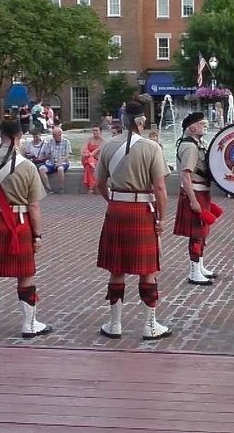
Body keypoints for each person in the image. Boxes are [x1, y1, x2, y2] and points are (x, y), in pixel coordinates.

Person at [0, 120, 53, 338]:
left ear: (1, 135)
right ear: (18, 137)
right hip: (19, 223)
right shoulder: (27, 166)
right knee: (25, 274)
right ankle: (29, 325)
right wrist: (37, 235)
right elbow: (34, 206)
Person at [95, 102, 172, 340]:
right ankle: (150, 327)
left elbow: (99, 184)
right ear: (140, 122)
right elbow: (160, 188)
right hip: (141, 209)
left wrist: (114, 201)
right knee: (147, 269)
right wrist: (161, 218)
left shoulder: (108, 146)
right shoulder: (151, 148)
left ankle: (114, 324)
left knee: (116, 268)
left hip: (117, 209)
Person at [174, 112, 221, 286]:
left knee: (202, 233)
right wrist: (193, 201)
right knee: (196, 234)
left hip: (202, 191)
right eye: (201, 123)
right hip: (195, 192)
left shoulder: (199, 143)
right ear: (191, 127)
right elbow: (185, 175)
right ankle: (194, 272)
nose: (205, 125)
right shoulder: (190, 147)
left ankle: (200, 266)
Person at [37, 126, 71, 194]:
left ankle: (61, 188)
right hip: (51, 162)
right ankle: (48, 188)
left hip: (62, 163)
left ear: (60, 135)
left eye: (55, 135)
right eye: (53, 135)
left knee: (60, 169)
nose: (53, 136)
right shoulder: (50, 142)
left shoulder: (66, 142)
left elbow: (68, 155)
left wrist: (60, 162)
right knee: (41, 169)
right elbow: (47, 155)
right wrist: (47, 154)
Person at [81, 126, 105, 194]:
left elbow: (97, 150)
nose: (95, 132)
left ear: (100, 131)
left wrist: (90, 155)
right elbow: (83, 149)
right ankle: (94, 186)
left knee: (89, 167)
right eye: (93, 130)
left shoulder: (103, 141)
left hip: (97, 160)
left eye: (96, 130)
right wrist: (86, 153)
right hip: (87, 159)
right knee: (89, 162)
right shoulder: (89, 139)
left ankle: (91, 187)